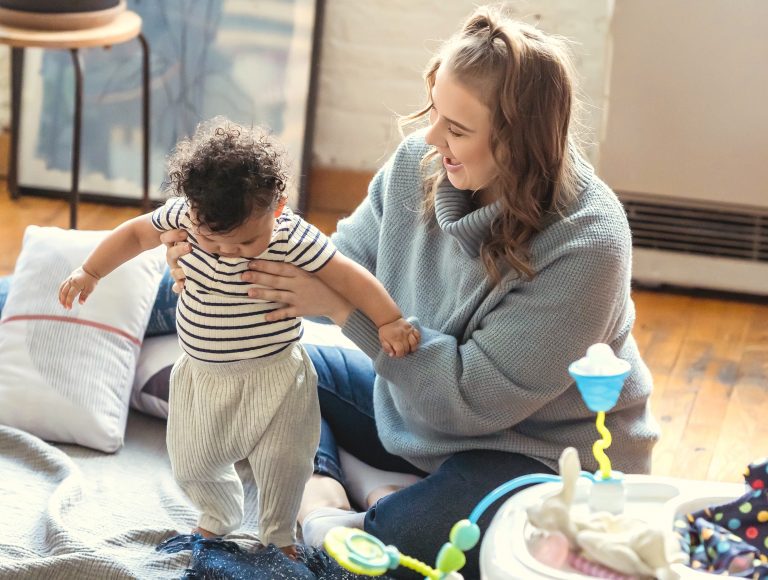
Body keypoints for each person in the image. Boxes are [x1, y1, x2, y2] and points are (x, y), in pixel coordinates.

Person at [161, 6, 659, 577]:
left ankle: (363, 507)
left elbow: (471, 401)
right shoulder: (416, 167)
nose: (430, 136)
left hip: (537, 454)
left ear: (519, 143)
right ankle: (327, 490)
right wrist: (214, 249)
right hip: (423, 418)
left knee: (414, 538)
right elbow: (335, 263)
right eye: (435, 113)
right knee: (279, 366)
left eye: (457, 129)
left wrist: (341, 308)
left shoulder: (587, 243)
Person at [57, 118, 420, 559]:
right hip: (201, 378)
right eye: (213, 241)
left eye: (246, 242)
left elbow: (349, 276)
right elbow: (135, 233)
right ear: (191, 211)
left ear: (279, 207)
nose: (228, 251)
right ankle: (219, 514)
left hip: (277, 376)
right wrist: (90, 270)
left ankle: (279, 533)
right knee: (192, 461)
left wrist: (389, 320)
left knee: (286, 464)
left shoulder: (291, 236)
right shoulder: (185, 217)